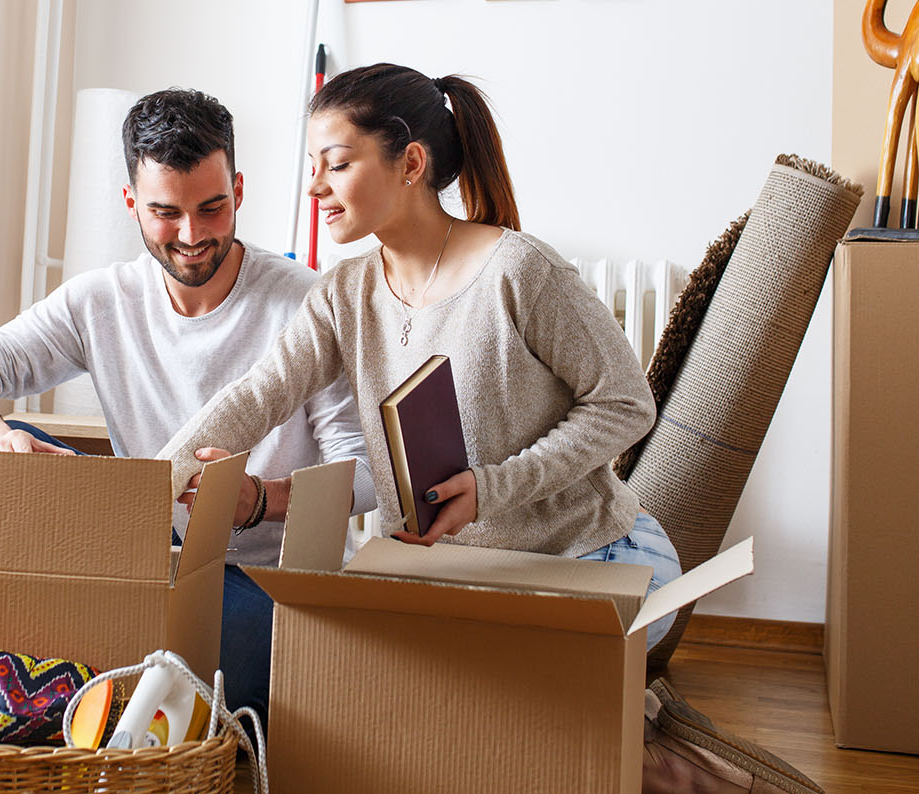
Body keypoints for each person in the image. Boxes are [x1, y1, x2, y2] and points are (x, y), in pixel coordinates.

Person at [158, 64, 823, 794]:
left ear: (411, 163)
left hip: (591, 559)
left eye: (337, 165)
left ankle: (663, 761)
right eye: (310, 166)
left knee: (474, 709)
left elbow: (627, 405)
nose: (314, 187)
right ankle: (622, 726)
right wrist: (160, 475)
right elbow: (263, 392)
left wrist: (493, 487)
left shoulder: (519, 270)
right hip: (457, 575)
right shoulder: (345, 292)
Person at [0, 87, 375, 726]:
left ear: (239, 191)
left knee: (182, 675)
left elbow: (362, 473)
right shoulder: (101, 301)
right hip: (140, 561)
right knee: (10, 441)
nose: (192, 236)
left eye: (213, 208)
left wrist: (257, 501)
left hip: (263, 579)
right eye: (166, 213)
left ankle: (123, 690)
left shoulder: (307, 304)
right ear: (132, 205)